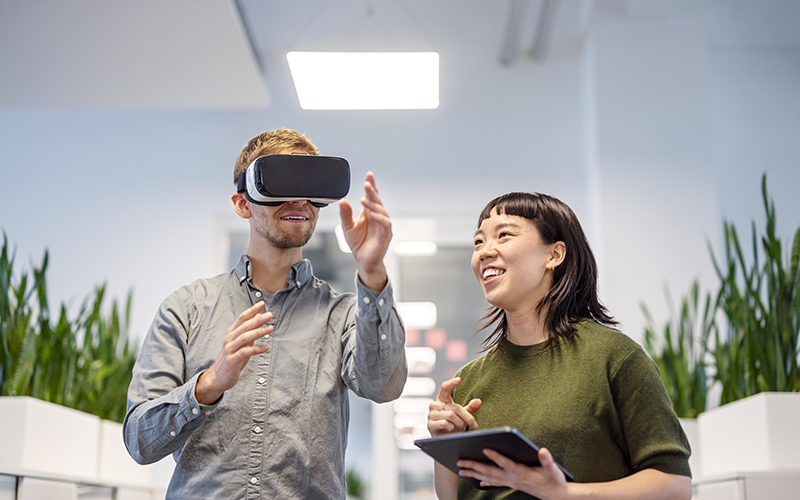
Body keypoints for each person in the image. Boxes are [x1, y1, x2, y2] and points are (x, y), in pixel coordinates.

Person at [123, 128, 407, 499]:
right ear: (243, 204)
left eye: (310, 187)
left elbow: (383, 385)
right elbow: (140, 441)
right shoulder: (186, 308)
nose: (299, 200)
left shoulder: (343, 314)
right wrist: (210, 384)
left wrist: (372, 273)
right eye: (282, 184)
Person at [426, 192, 692, 500]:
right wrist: (446, 441)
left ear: (554, 255)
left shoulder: (614, 357)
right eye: (478, 242)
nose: (485, 252)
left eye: (504, 235)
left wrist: (565, 494)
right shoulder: (468, 380)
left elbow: (674, 486)